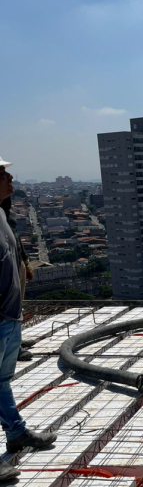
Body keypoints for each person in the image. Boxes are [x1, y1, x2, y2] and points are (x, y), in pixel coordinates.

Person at [0, 160, 57, 453]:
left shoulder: (2, 214)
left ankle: (16, 433)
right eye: (1, 173)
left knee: (1, 381)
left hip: (9, 317)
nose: (10, 176)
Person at [1, 197, 34, 361]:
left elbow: (16, 239)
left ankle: (16, 340)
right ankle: (13, 349)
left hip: (16, 263)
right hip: (4, 267)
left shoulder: (7, 214)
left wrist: (26, 263)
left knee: (17, 307)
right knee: (7, 311)